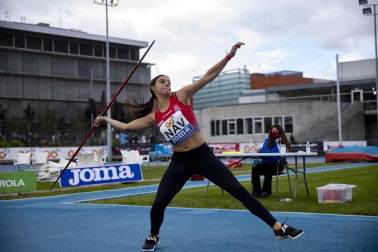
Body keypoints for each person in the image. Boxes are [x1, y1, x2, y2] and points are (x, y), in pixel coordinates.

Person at [95, 42, 303, 252]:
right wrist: (106, 120)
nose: (167, 84)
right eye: (162, 81)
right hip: (180, 162)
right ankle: (153, 235)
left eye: (168, 81)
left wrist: (228, 57)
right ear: (153, 88)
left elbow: (207, 76)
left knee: (239, 191)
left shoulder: (181, 95)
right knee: (159, 203)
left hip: (203, 156)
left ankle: (278, 228)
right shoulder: (154, 116)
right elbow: (128, 126)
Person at [252, 125, 292, 198]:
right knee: (255, 169)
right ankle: (256, 191)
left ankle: (265, 192)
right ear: (270, 131)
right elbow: (261, 151)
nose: (274, 132)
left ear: (280, 132)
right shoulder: (266, 141)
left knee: (268, 169)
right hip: (265, 163)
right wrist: (258, 151)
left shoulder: (282, 142)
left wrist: (280, 142)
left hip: (277, 164)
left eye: (277, 130)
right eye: (273, 130)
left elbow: (284, 154)